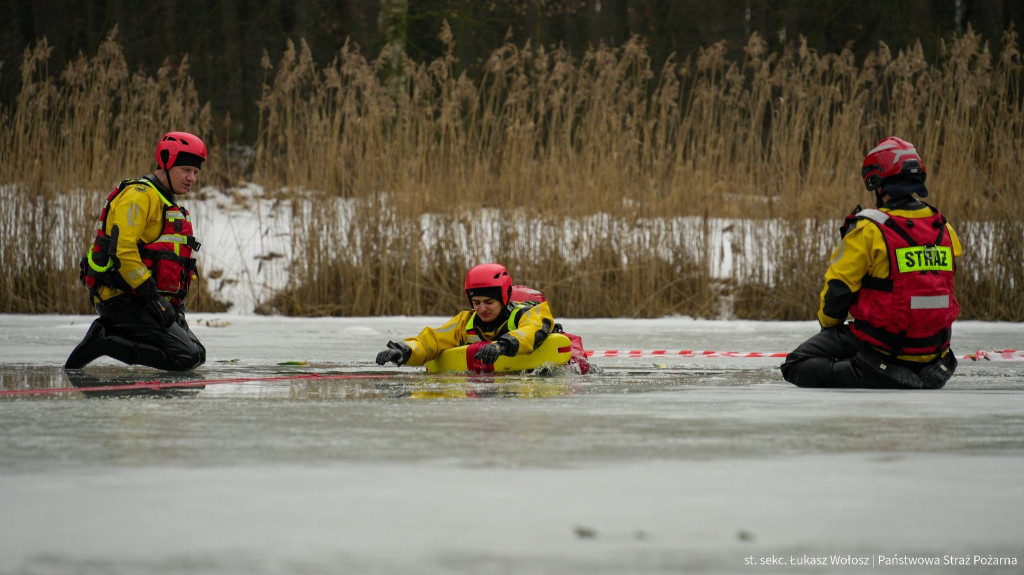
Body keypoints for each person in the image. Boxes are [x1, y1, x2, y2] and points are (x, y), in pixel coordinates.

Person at [780, 137, 961, 389]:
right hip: (935, 352)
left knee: (796, 364)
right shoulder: (943, 228)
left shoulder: (869, 229)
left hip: (884, 346)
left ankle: (870, 372)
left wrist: (829, 328)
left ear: (878, 182)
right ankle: (910, 370)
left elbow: (838, 291)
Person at [65, 131, 208, 371]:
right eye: (185, 169)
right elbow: (124, 250)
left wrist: (173, 307)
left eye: (195, 172)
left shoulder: (165, 201)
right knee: (186, 357)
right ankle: (104, 340)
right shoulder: (139, 195)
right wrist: (154, 299)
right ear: (165, 162)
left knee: (198, 354)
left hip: (143, 299)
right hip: (121, 298)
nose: (191, 177)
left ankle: (112, 335)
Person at [375, 263, 590, 373]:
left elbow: (530, 331)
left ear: (504, 297)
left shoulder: (530, 313)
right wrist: (405, 350)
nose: (482, 309)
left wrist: (501, 346)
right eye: (476, 303)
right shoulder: (465, 322)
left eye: (489, 302)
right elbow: (432, 340)